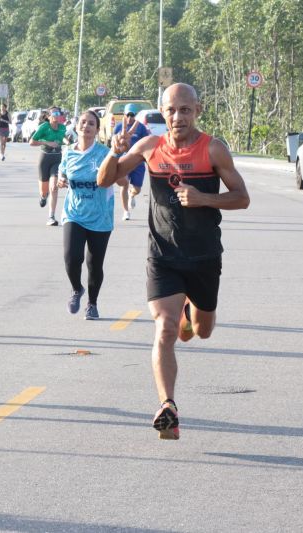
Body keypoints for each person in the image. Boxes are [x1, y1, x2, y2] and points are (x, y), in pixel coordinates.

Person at [97, 83, 250, 440]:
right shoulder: (150, 147)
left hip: (204, 257)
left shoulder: (213, 149)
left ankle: (188, 317)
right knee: (163, 329)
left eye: (185, 109)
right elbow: (107, 179)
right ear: (162, 113)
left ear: (198, 110)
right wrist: (112, 151)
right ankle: (168, 406)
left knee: (202, 330)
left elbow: (242, 198)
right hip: (163, 255)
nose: (178, 117)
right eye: (171, 110)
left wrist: (203, 199)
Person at [57, 110, 128, 320]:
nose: (86, 126)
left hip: (100, 217)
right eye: (82, 122)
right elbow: (62, 173)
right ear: (77, 126)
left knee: (94, 264)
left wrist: (117, 168)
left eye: (91, 124)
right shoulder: (68, 152)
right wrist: (61, 180)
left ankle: (92, 304)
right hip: (74, 213)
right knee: (71, 258)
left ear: (97, 130)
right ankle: (77, 289)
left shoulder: (106, 153)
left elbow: (123, 181)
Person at [30, 106, 67, 226]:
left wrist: (69, 143)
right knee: (44, 191)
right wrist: (46, 142)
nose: (57, 115)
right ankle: (43, 197)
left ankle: (51, 216)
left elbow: (65, 138)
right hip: (45, 158)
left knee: (54, 187)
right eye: (54, 113)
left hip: (57, 159)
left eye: (58, 113)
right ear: (49, 116)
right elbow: (32, 142)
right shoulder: (44, 127)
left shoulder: (62, 127)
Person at [112, 103, 149, 221]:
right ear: (124, 115)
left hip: (137, 162)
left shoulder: (141, 128)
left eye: (132, 115)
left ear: (135, 116)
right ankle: (126, 211)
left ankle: (132, 194)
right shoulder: (118, 128)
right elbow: (113, 145)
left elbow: (146, 143)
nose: (129, 118)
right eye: (127, 115)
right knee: (124, 184)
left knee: (137, 189)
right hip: (123, 160)